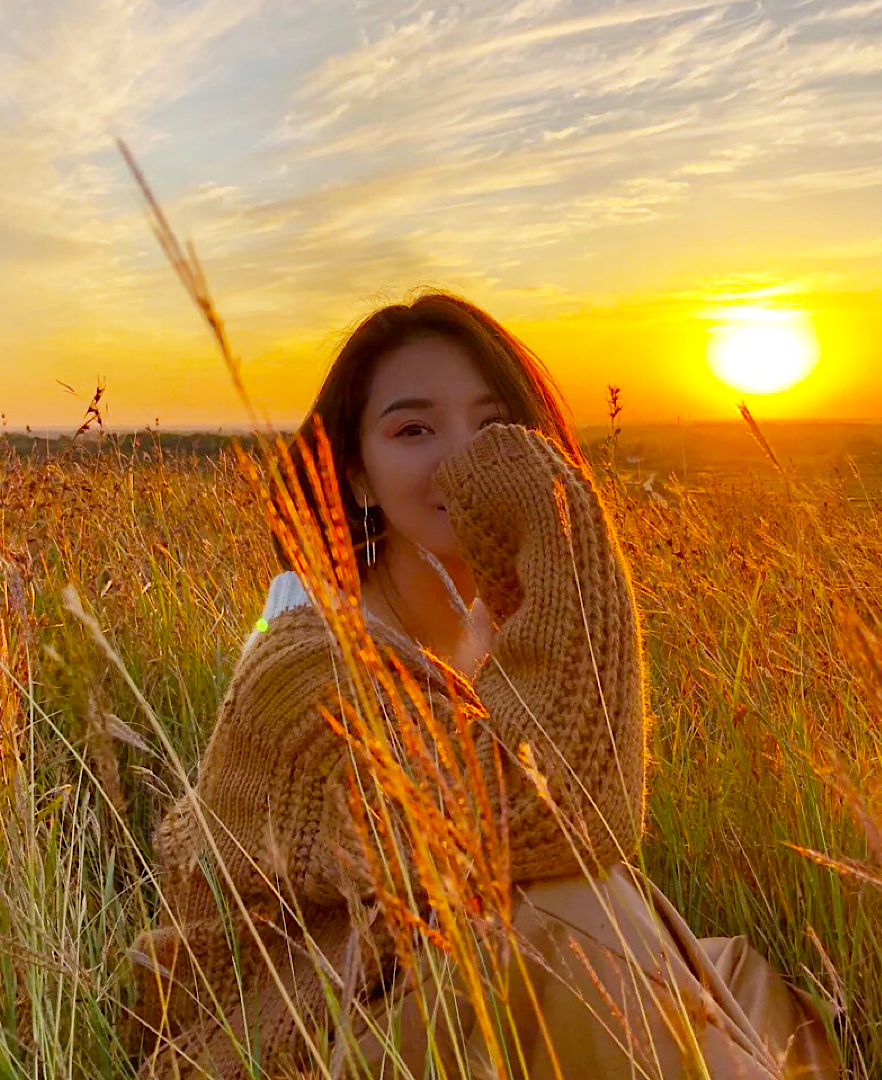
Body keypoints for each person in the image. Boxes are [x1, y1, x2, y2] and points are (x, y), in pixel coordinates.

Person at [130, 292, 839, 1079]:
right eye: (414, 430)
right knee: (575, 915)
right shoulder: (306, 664)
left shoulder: (480, 628)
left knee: (679, 957)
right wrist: (561, 525)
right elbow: (565, 817)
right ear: (358, 478)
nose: (464, 461)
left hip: (419, 989)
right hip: (276, 1033)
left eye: (495, 428)